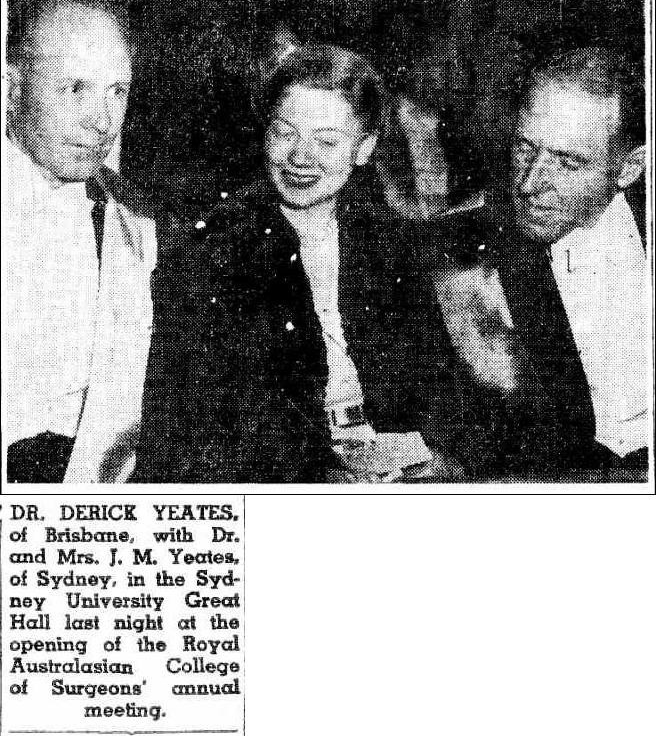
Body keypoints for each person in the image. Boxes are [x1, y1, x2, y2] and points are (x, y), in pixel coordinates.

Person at [136, 43, 474, 483]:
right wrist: (321, 473)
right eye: (285, 133)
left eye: (326, 141)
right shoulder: (214, 250)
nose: (300, 157)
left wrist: (438, 453)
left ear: (364, 148)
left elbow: (439, 382)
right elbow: (205, 426)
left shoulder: (388, 242)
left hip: (397, 465)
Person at [3, 0, 157, 483]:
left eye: (117, 92)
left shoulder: (133, 219)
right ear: (13, 90)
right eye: (76, 89)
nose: (103, 121)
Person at [496, 46, 649, 475]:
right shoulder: (461, 259)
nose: (530, 183)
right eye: (525, 148)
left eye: (567, 163)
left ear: (629, 168)